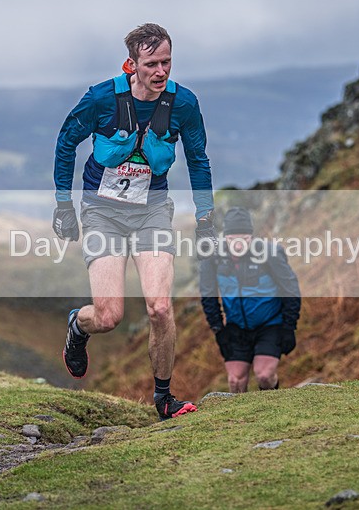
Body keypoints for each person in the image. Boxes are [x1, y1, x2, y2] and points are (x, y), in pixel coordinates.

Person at [53, 23, 216, 420]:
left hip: (152, 209)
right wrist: (63, 205)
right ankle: (79, 325)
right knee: (108, 317)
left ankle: (163, 398)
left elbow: (198, 159)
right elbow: (65, 142)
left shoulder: (185, 104)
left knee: (160, 308)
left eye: (167, 62)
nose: (161, 71)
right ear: (131, 64)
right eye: (152, 64)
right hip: (102, 211)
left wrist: (206, 214)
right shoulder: (101, 98)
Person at [199, 207, 301, 393]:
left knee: (264, 376)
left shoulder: (270, 254)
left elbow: (291, 289)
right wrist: (218, 330)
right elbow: (208, 296)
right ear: (224, 237)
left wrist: (289, 327)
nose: (238, 245)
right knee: (236, 381)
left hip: (270, 324)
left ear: (251, 237)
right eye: (232, 239)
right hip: (236, 327)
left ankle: (271, 412)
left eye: (244, 239)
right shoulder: (212, 258)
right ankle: (240, 420)